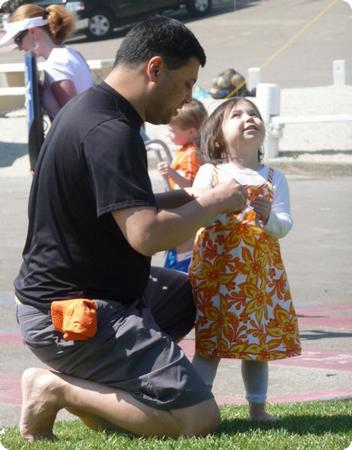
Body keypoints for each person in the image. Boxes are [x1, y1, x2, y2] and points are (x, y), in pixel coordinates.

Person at [13, 16, 249, 442]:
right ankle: (56, 388)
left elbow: (114, 207)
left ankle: (104, 388)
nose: (188, 98)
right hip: (73, 314)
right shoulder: (111, 131)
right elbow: (148, 235)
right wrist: (215, 202)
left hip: (74, 297)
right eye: (186, 83)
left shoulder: (91, 111)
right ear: (155, 69)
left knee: (180, 298)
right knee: (198, 420)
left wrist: (193, 196)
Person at [189, 97, 301, 421]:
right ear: (217, 137)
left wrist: (269, 219)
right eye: (236, 115)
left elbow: (285, 225)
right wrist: (216, 208)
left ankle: (258, 408)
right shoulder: (210, 172)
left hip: (258, 275)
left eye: (253, 114)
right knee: (210, 343)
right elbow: (196, 213)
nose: (248, 118)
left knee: (256, 344)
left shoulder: (273, 178)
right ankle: (194, 406)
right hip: (217, 273)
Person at [0, 3, 93, 120]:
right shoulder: (71, 53)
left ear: (32, 31)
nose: (20, 47)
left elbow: (73, 120)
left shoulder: (56, 63)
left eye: (18, 40)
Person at [157, 98, 207, 272]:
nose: (168, 135)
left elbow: (192, 187)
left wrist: (171, 173)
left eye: (172, 131)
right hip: (184, 211)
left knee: (182, 256)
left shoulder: (191, 154)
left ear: (191, 132)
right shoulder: (187, 150)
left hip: (185, 212)